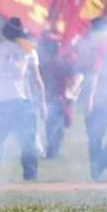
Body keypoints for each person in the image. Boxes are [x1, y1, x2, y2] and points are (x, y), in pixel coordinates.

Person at [0, 17, 47, 183]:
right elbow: (38, 80)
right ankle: (30, 175)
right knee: (28, 140)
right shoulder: (29, 51)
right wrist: (43, 103)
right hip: (22, 102)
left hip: (3, 102)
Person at [80, 16, 107, 180]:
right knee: (95, 135)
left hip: (100, 100)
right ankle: (98, 167)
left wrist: (89, 98)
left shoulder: (100, 46)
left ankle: (97, 165)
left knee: (95, 137)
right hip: (102, 99)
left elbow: (94, 74)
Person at [38, 31, 76, 159]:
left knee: (56, 126)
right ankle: (52, 151)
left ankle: (54, 151)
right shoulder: (54, 61)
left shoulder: (49, 61)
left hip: (56, 96)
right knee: (55, 127)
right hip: (54, 96)